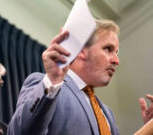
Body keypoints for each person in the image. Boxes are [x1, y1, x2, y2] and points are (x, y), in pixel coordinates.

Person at [8, 19, 153, 135]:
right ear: (81, 50)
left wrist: (149, 128)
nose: (116, 61)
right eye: (108, 49)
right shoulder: (45, 85)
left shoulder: (107, 114)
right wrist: (52, 81)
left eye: (117, 52)